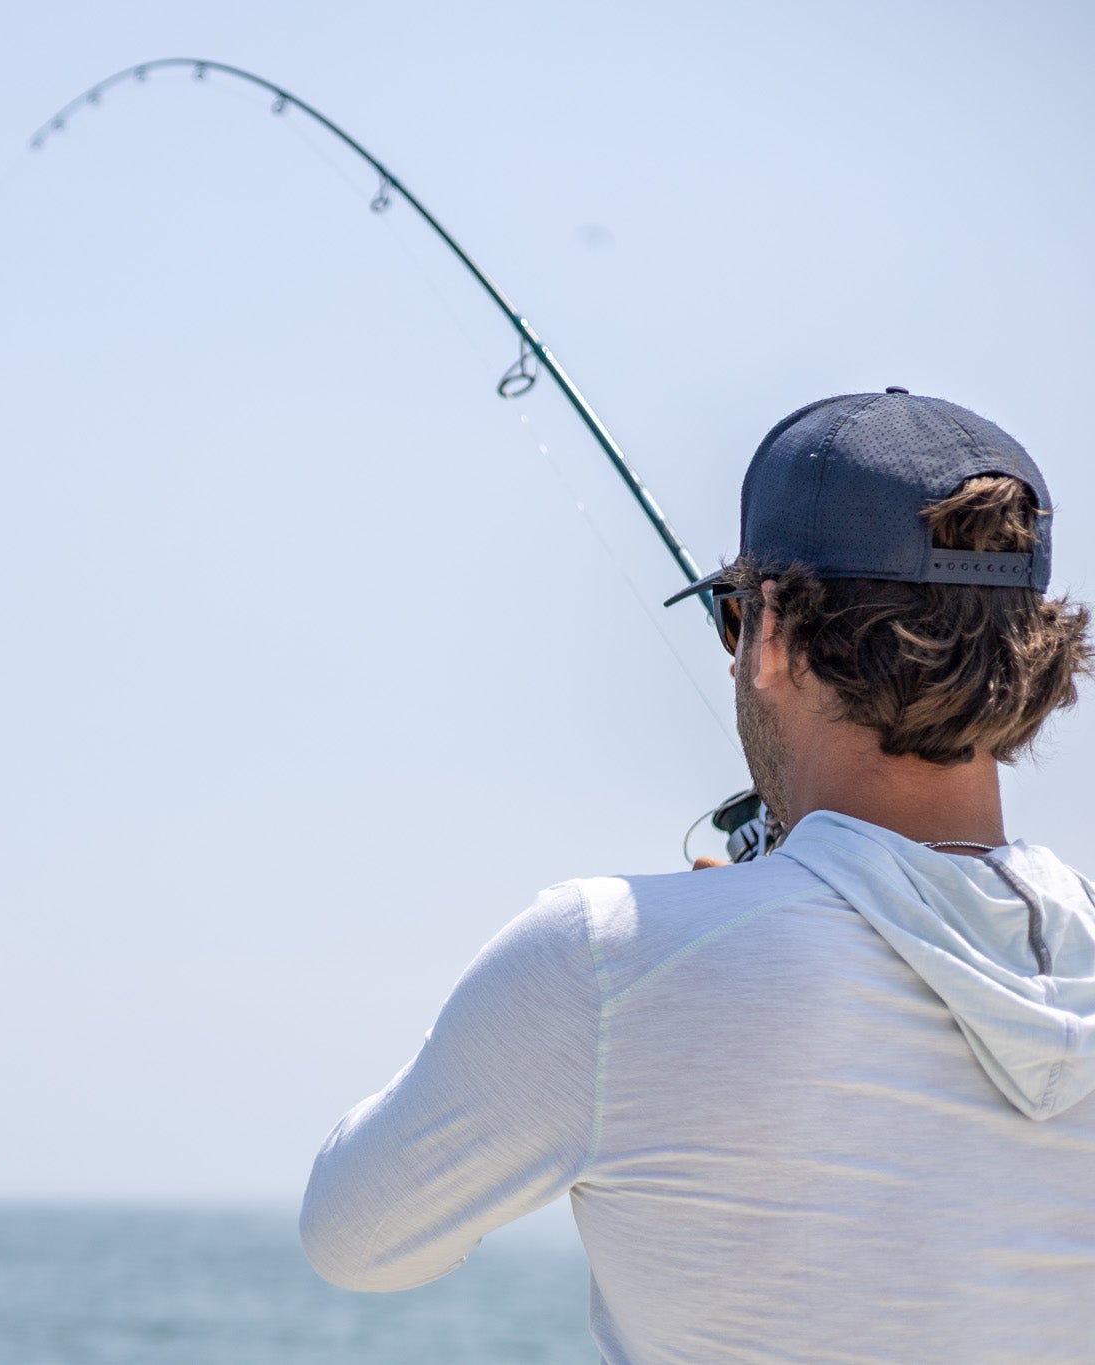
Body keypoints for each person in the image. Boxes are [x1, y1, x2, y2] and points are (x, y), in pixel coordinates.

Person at [300, 390, 1095, 1363]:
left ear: (772, 632)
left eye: (731, 617)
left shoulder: (604, 959)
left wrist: (716, 930)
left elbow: (355, 1237)